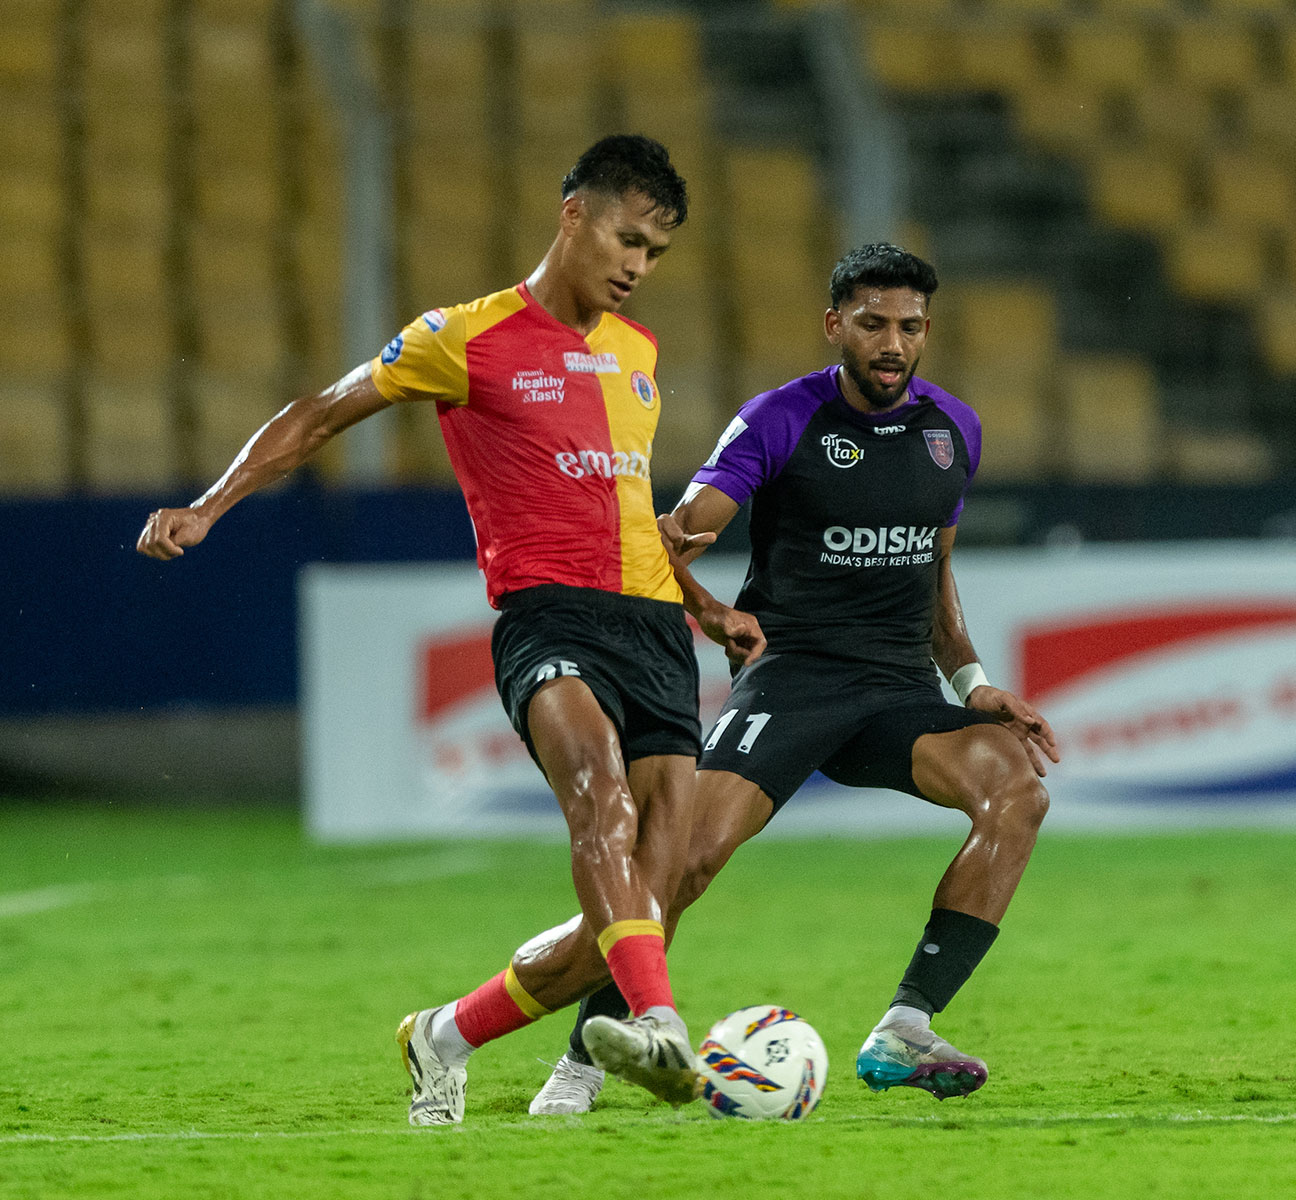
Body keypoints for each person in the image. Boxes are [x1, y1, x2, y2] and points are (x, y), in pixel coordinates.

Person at [134, 135, 763, 1123]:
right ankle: (661, 1028)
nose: (638, 267)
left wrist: (706, 606)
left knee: (660, 886)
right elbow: (321, 412)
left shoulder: (637, 355)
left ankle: (445, 1035)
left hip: (653, 629)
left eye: (655, 253)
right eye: (627, 239)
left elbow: (629, 504)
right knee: (597, 799)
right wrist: (210, 506)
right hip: (545, 618)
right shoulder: (460, 336)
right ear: (572, 216)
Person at [507, 242, 1061, 1115]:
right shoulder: (780, 419)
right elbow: (671, 531)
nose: (892, 343)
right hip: (792, 676)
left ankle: (905, 1029)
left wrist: (972, 681)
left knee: (1018, 791)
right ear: (834, 323)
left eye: (910, 327)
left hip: (898, 691)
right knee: (684, 859)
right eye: (873, 323)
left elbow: (932, 576)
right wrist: (707, 609)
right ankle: (585, 1055)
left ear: (927, 333)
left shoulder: (955, 431)